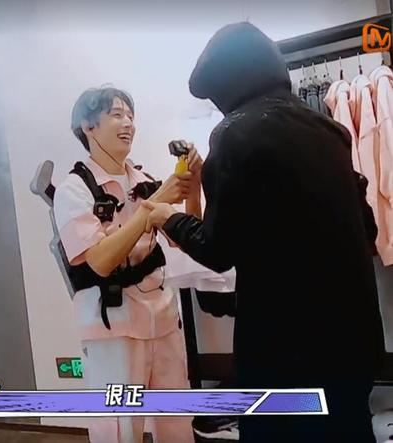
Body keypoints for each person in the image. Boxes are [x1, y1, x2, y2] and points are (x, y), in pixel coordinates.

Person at [142, 23, 386, 442]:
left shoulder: (234, 133)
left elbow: (217, 250)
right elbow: (368, 229)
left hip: (286, 352)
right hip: (353, 339)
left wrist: (168, 217)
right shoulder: (330, 131)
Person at [53, 85, 201, 443]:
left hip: (163, 319)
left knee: (177, 424)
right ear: (88, 127)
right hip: (114, 327)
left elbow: (186, 238)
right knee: (119, 430)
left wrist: (194, 184)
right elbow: (100, 262)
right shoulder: (74, 190)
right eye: (116, 115)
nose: (128, 124)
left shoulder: (144, 182)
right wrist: (154, 205)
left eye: (131, 116)